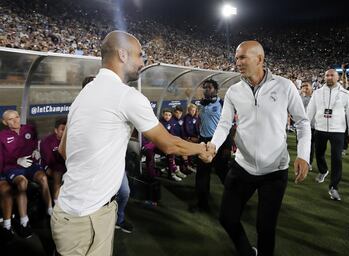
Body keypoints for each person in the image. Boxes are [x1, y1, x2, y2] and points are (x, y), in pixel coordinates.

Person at [51, 30, 213, 256]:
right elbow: (169, 145)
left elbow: (64, 150)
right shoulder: (127, 96)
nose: (142, 62)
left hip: (70, 211)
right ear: (122, 55)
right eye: (139, 55)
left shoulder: (87, 90)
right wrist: (202, 149)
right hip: (87, 218)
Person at [206, 41, 311, 256]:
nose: (238, 62)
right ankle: (246, 252)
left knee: (266, 228)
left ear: (260, 59)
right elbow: (225, 123)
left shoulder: (285, 86)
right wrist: (213, 145)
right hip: (242, 166)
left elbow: (302, 122)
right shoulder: (234, 91)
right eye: (236, 58)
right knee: (227, 217)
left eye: (243, 57)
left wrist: (303, 155)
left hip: (275, 171)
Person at [0, 110, 53, 238]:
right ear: (4, 122)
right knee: (22, 183)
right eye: (11, 119)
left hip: (30, 165)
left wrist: (36, 150)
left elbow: (35, 142)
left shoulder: (29, 129)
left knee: (43, 178)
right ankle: (24, 221)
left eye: (17, 117)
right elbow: (1, 159)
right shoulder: (2, 136)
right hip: (12, 167)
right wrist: (16, 160)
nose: (16, 120)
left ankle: (51, 211)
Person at [307, 69, 349, 201]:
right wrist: (305, 126)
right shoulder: (317, 93)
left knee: (337, 159)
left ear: (337, 77)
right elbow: (310, 110)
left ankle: (334, 187)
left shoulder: (346, 94)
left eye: (332, 75)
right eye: (327, 75)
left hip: (338, 130)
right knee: (319, 153)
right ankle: (323, 170)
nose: (329, 77)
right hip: (320, 128)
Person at [191, 79, 232, 213]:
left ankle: (236, 198)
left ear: (216, 89)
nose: (206, 89)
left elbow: (229, 126)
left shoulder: (222, 103)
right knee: (202, 174)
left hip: (218, 143)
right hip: (203, 142)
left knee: (222, 172)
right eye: (204, 87)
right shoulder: (201, 105)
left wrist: (227, 146)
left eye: (209, 87)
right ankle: (201, 202)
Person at [40, 117, 67, 204]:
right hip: (49, 166)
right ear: (56, 130)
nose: (65, 132)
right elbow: (49, 160)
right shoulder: (47, 141)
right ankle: (56, 202)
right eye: (62, 129)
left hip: (65, 165)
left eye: (66, 129)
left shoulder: (70, 139)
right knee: (57, 173)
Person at [300, 81, 315, 170]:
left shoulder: (316, 97)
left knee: (310, 145)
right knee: (300, 144)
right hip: (302, 125)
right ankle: (302, 161)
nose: (305, 87)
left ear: (311, 87)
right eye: (303, 86)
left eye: (306, 86)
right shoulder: (300, 96)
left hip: (313, 125)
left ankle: (309, 162)